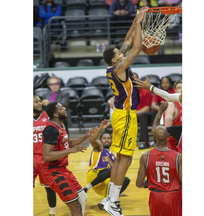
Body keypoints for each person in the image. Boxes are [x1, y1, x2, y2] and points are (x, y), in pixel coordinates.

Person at [102, 6, 148, 216]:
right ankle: (113, 202)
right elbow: (137, 48)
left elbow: (129, 41)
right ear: (114, 60)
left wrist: (136, 19)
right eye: (119, 53)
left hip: (121, 116)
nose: (123, 52)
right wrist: (139, 24)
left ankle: (109, 198)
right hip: (126, 116)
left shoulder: (114, 66)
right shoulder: (120, 67)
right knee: (126, 159)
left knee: (120, 159)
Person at [38, 102, 98, 216]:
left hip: (62, 169)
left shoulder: (61, 125)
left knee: (82, 197)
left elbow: (68, 143)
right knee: (75, 205)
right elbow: (47, 156)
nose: (64, 108)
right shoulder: (51, 129)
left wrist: (85, 136)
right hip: (53, 172)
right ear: (55, 114)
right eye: (61, 108)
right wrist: (70, 151)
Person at [135, 120, 182, 216]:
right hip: (173, 196)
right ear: (168, 136)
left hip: (155, 196)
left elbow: (139, 183)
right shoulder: (178, 157)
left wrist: (149, 183)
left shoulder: (145, 156)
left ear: (154, 138)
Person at [83, 119, 130, 210]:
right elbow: (92, 141)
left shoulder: (112, 156)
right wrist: (101, 128)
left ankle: (107, 200)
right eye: (104, 138)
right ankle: (86, 188)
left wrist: (119, 188)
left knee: (125, 179)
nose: (107, 140)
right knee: (111, 171)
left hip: (104, 184)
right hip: (94, 176)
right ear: (100, 140)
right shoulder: (99, 148)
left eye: (109, 138)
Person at [33, 96, 57, 216]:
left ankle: (52, 213)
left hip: (45, 157)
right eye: (35, 102)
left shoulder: (47, 115)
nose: (39, 104)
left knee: (49, 187)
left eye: (39, 102)